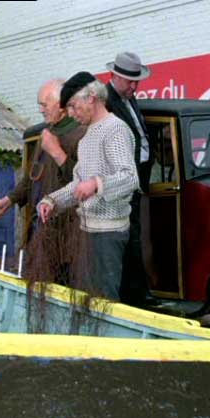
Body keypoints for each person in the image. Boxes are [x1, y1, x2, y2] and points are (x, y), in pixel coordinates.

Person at [37, 72, 139, 301]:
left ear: (91, 97)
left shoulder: (115, 129)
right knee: (87, 302)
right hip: (86, 233)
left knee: (104, 304)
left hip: (108, 235)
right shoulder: (87, 137)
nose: (71, 114)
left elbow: (130, 178)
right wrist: (53, 200)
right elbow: (77, 184)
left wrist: (96, 184)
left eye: (73, 106)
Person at [0, 79, 86, 283]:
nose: (40, 110)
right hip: (42, 231)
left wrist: (57, 152)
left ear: (61, 105)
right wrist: (9, 200)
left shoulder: (81, 135)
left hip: (69, 236)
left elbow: (83, 184)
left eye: (44, 104)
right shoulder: (47, 134)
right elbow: (33, 177)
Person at [105, 51, 156, 306]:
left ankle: (138, 293)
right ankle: (135, 295)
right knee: (129, 239)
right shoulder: (106, 102)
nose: (134, 86)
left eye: (136, 82)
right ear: (114, 77)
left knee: (137, 237)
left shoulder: (129, 100)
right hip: (121, 184)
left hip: (137, 181)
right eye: (129, 81)